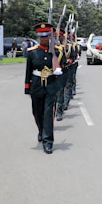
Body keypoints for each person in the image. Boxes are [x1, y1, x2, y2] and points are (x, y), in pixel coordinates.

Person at [24, 22, 64, 155]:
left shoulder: (57, 51)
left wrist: (59, 69)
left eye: (46, 36)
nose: (44, 39)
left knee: (48, 114)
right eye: (41, 37)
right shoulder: (32, 52)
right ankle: (41, 131)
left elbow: (61, 68)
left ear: (50, 36)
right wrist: (27, 88)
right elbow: (28, 71)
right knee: (37, 112)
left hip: (51, 85)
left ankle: (48, 142)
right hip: (36, 85)